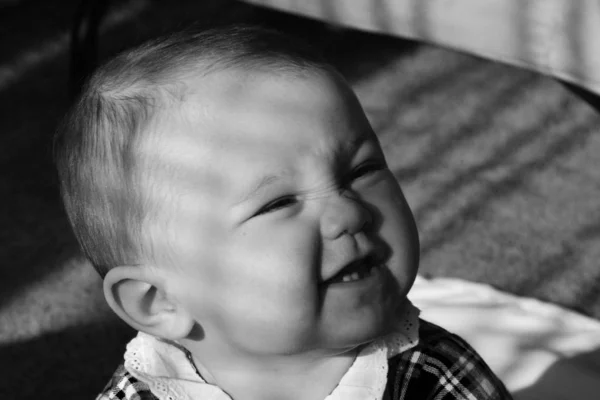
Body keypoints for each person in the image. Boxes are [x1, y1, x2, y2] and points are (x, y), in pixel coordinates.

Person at [54, 24, 513, 400]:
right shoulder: (143, 394)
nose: (347, 213)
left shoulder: (429, 374)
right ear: (160, 302)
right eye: (278, 203)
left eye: (362, 169)